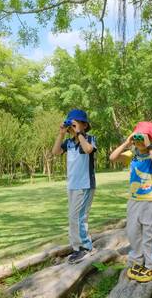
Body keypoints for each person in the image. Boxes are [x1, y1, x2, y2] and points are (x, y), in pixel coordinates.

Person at [109, 121, 152, 282]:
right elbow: (112, 158)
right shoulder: (131, 155)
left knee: (150, 233)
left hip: (151, 201)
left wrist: (150, 147)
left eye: (144, 137)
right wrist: (127, 142)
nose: (140, 140)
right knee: (134, 233)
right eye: (138, 137)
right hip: (134, 201)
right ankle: (137, 261)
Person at [51, 109, 97, 264]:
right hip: (72, 185)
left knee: (78, 217)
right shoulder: (69, 142)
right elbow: (55, 152)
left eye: (76, 123)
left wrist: (79, 133)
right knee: (72, 217)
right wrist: (62, 133)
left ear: (84, 125)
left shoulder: (89, 138)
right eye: (72, 124)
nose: (73, 126)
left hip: (85, 185)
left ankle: (86, 247)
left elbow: (88, 149)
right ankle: (77, 248)